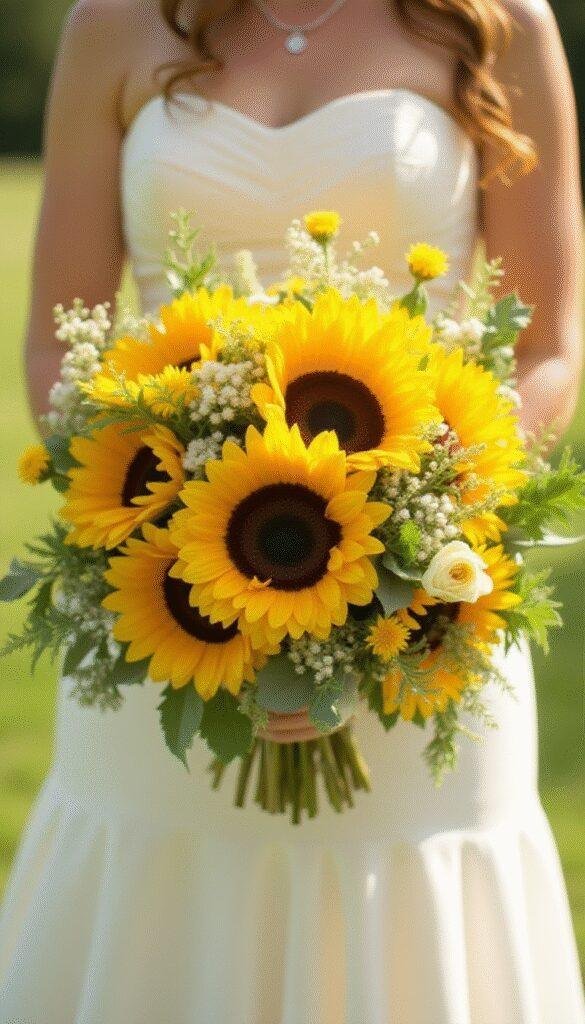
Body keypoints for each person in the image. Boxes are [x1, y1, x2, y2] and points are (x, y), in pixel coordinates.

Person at [1, 1, 583, 1021]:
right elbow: (57, 341)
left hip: (426, 607)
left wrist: (428, 515)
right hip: (168, 607)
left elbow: (546, 347)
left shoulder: (499, 23)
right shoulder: (113, 24)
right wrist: (163, 510)